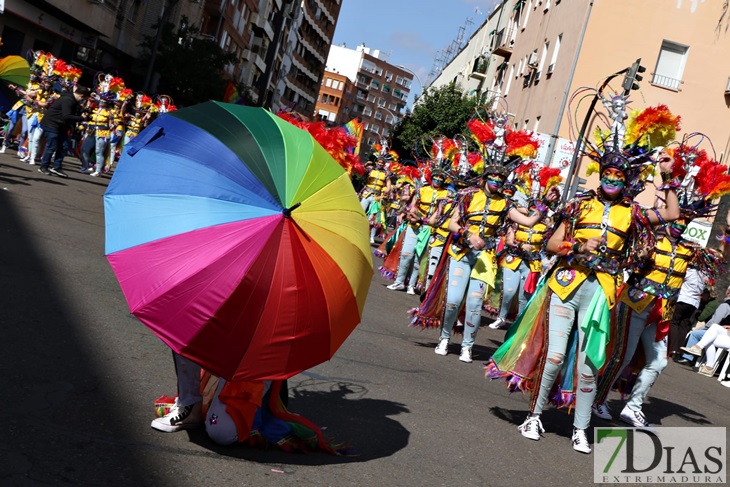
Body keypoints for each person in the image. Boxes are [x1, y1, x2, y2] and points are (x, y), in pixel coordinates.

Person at [486, 107, 681, 454]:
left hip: (601, 292)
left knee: (589, 364)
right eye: (607, 173)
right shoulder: (578, 206)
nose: (612, 179)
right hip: (566, 284)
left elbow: (670, 214)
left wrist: (666, 177)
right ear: (600, 174)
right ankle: (533, 416)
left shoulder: (632, 213)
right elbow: (550, 242)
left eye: (619, 176)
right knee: (556, 356)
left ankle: (581, 427)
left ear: (628, 180)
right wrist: (576, 244)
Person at [152, 353, 343, 453]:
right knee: (183, 318)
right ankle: (190, 404)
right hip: (219, 327)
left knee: (220, 432)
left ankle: (248, 406)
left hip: (256, 354)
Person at [386, 169, 448, 294]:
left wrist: (428, 220)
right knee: (406, 254)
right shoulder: (422, 190)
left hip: (430, 229)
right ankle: (399, 282)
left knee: (419, 257)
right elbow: (411, 205)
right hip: (414, 225)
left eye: (440, 180)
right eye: (435, 178)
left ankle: (411, 285)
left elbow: (443, 213)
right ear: (432, 178)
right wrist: (413, 215)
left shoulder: (447, 194)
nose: (437, 181)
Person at [38, 84, 90, 178]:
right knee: (52, 146)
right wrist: (81, 118)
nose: (83, 101)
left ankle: (56, 167)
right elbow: (66, 116)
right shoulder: (68, 100)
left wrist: (82, 112)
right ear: (82, 96)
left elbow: (72, 113)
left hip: (61, 126)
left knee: (64, 146)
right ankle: (43, 166)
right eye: (84, 99)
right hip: (52, 124)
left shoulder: (73, 100)